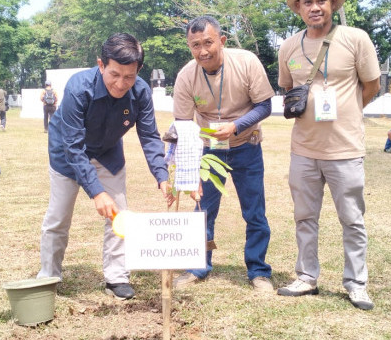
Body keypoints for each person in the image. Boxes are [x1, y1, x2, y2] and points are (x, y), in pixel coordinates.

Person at [37, 33, 172, 300]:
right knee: (58, 218)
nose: (121, 84)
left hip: (109, 154)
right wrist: (97, 192)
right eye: (114, 74)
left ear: (139, 70)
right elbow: (74, 148)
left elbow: (149, 135)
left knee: (119, 215)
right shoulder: (78, 88)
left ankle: (116, 276)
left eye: (129, 76)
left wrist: (161, 173)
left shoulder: (141, 92)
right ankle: (49, 276)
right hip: (67, 155)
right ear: (101, 64)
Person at [276, 0, 381, 310]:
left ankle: (356, 284)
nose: (315, 7)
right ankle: (306, 278)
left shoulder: (355, 39)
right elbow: (287, 88)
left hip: (345, 148)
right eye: (307, 2)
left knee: (352, 219)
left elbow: (371, 86)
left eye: (321, 0)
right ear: (298, 9)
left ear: (333, 3)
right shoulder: (289, 46)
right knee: (305, 217)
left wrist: (348, 112)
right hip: (303, 149)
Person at [172, 16, 275, 293]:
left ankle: (258, 271)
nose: (203, 51)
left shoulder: (246, 62)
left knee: (254, 212)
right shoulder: (186, 76)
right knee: (203, 212)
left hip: (247, 145)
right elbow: (183, 127)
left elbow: (265, 105)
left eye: (208, 42)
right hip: (210, 151)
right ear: (189, 46)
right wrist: (188, 169)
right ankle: (198, 265)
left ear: (221, 40)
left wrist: (236, 126)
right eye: (195, 45)